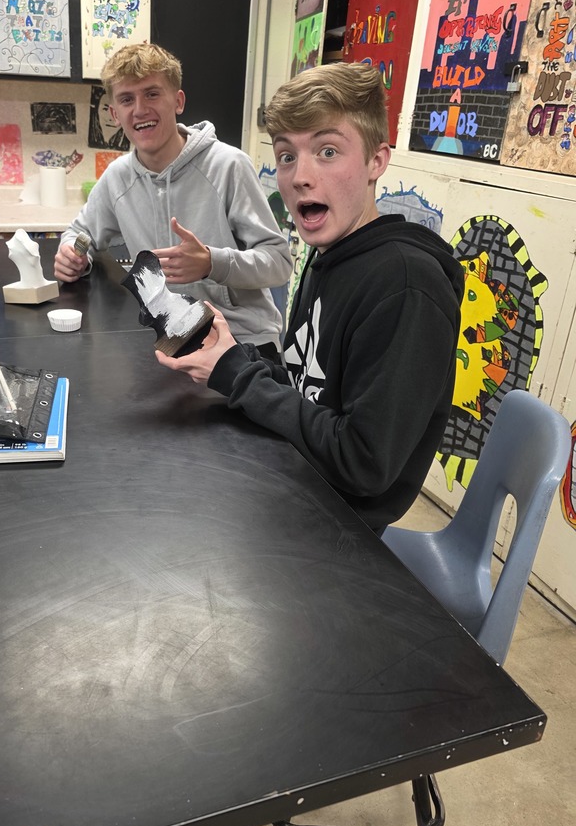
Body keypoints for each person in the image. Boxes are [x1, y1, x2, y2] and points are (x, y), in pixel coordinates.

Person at [156, 62, 464, 534]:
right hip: (298, 477)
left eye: (327, 151)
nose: (300, 176)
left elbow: (363, 464)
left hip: (341, 529)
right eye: (286, 156)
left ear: (376, 162)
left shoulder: (407, 288)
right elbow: (310, 385)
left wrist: (238, 377)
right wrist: (231, 357)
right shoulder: (327, 256)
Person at [54, 44, 292, 355]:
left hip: (242, 340)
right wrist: (73, 256)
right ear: (115, 114)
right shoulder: (118, 178)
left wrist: (211, 263)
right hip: (170, 340)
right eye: (127, 99)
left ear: (178, 101)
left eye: (152, 94)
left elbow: (279, 263)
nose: (140, 109)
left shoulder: (228, 166)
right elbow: (79, 234)